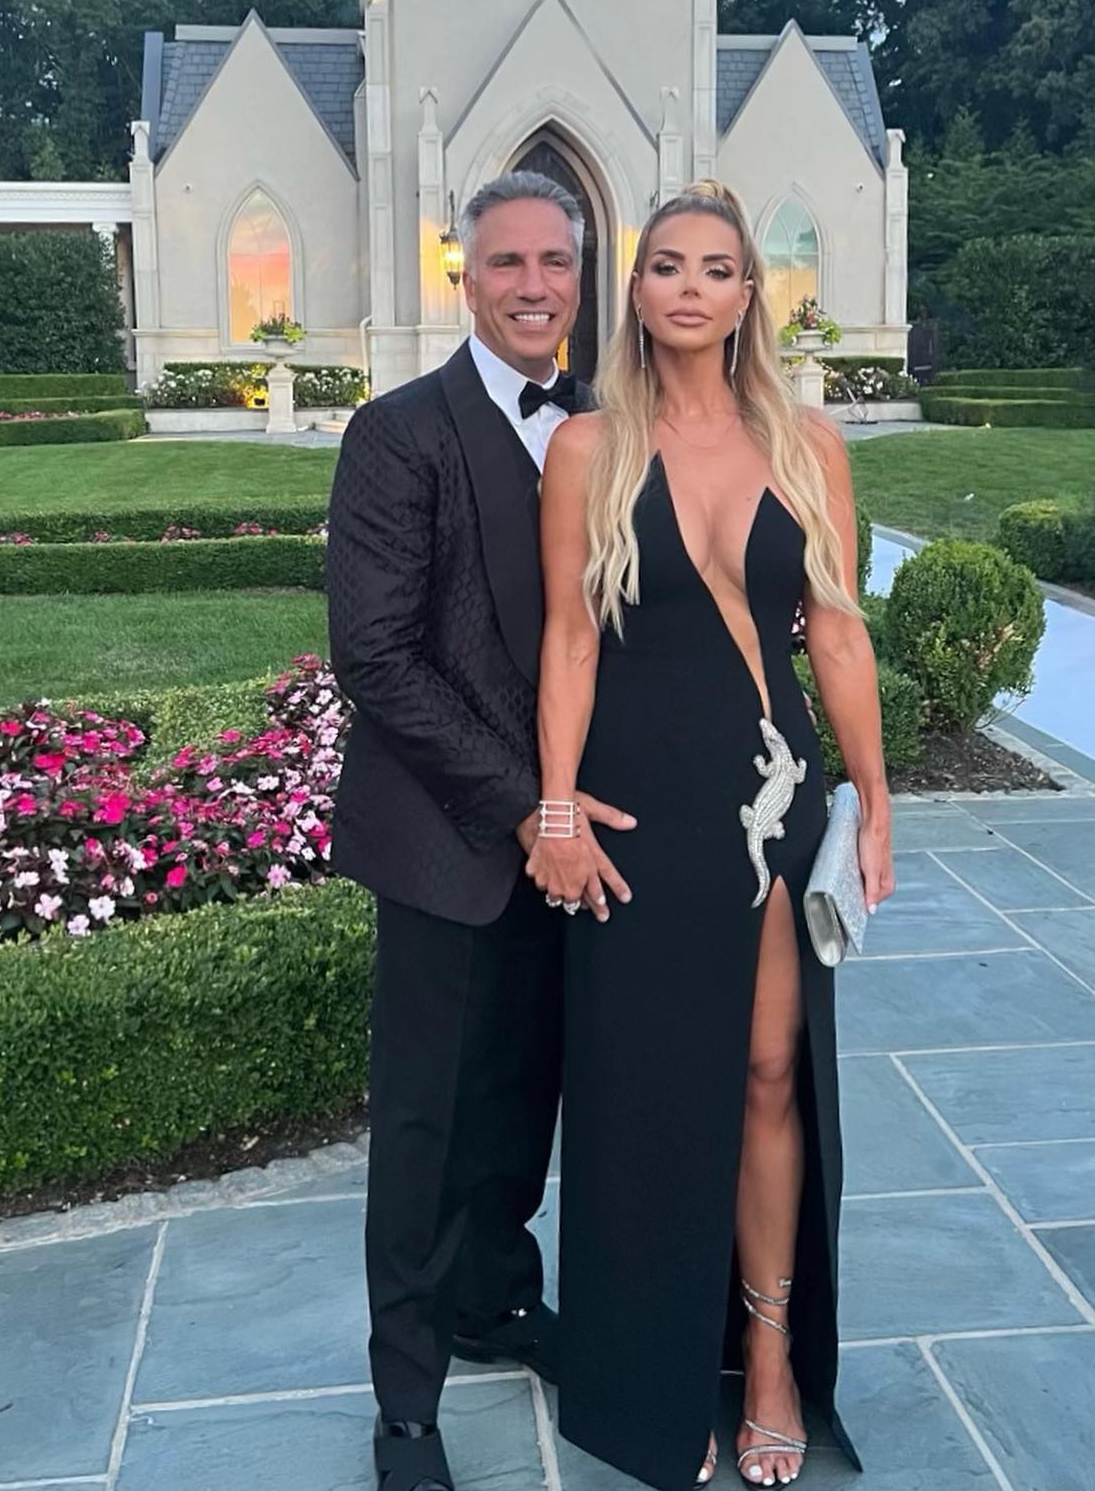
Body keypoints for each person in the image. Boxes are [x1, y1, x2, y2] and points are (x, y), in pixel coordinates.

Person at [528, 182, 896, 1489]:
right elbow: (571, 640)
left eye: (718, 270)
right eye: (668, 266)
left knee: (768, 1074)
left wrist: (875, 800)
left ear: (749, 297)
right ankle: (653, 1370)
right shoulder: (588, 450)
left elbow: (837, 633)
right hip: (640, 803)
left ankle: (772, 1355)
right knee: (644, 1091)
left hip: (772, 802)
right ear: (637, 291)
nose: (691, 288)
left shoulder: (807, 443)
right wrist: (555, 806)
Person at [326, 171, 636, 1491]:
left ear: (581, 275)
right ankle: (406, 1399)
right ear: (466, 275)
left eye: (555, 262)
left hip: (580, 844)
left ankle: (496, 1300)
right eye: (506, 261)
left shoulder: (610, 427)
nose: (533, 285)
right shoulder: (399, 434)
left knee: (528, 1101)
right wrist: (528, 809)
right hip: (451, 846)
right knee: (425, 1131)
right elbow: (378, 659)